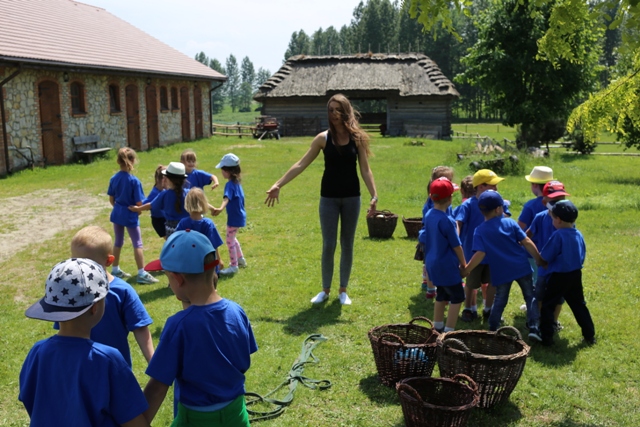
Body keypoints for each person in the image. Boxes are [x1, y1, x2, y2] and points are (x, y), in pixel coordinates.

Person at [264, 94, 378, 305]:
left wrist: (374, 195)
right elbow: (301, 164)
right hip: (329, 199)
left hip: (352, 198)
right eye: (330, 110)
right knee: (328, 244)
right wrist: (278, 184)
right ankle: (325, 290)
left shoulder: (358, 138)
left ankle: (343, 290)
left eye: (338, 109)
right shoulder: (322, 139)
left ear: (346, 111)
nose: (334, 113)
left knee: (347, 243)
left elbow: (365, 169)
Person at [142, 230, 258, 426]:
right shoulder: (237, 311)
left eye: (168, 279)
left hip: (195, 420)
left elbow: (158, 387)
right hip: (237, 415)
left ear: (178, 279)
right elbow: (244, 360)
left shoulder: (178, 325)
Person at [19, 258, 150, 427]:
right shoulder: (107, 360)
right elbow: (135, 422)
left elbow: (29, 399)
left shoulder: (37, 352)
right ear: (95, 307)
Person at [53, 226, 154, 368]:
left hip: (113, 368)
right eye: (76, 261)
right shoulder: (71, 290)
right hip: (78, 368)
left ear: (108, 261)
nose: (81, 268)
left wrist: (153, 364)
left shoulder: (122, 291)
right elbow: (63, 330)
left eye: (89, 263)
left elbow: (140, 327)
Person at [461, 190, 544, 336]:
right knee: (530, 296)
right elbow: (526, 241)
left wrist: (467, 269)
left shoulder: (480, 230)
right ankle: (534, 327)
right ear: (498, 209)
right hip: (521, 267)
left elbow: (480, 254)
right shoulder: (510, 223)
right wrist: (538, 258)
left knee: (500, 299)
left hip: (501, 271)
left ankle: (493, 329)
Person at [455, 169, 511, 321]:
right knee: (472, 283)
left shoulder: (498, 202)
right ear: (481, 186)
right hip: (473, 253)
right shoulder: (468, 205)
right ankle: (468, 308)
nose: (496, 188)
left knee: (493, 282)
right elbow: (458, 222)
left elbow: (506, 218)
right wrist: (456, 238)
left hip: (494, 252)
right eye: (492, 185)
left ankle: (488, 308)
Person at [538, 200, 595, 346]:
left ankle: (546, 337)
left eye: (552, 218)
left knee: (548, 305)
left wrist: (540, 260)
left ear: (558, 220)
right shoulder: (578, 234)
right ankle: (589, 335)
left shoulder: (558, 236)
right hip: (575, 275)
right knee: (579, 305)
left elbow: (545, 257)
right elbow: (582, 254)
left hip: (558, 276)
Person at [420, 177, 466, 333]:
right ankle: (449, 331)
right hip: (447, 265)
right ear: (450, 198)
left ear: (431, 196)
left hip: (432, 263)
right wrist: (464, 264)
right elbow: (457, 245)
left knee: (441, 294)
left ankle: (437, 327)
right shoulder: (447, 220)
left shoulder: (429, 214)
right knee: (457, 297)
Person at [107, 147, 158, 284]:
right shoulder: (134, 181)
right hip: (130, 214)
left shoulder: (114, 178)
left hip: (117, 213)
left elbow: (111, 199)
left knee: (118, 241)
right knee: (137, 243)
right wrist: (139, 210)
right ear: (133, 160)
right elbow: (139, 203)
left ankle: (115, 269)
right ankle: (141, 273)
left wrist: (119, 208)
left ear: (118, 161)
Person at [527, 180, 569, 333]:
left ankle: (553, 322)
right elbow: (527, 236)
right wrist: (537, 257)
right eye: (554, 200)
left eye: (561, 199)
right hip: (544, 267)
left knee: (558, 297)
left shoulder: (567, 219)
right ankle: (538, 321)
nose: (559, 204)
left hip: (560, 267)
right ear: (545, 202)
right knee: (539, 295)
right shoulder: (540, 217)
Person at [418, 166, 456, 299]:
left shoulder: (438, 200)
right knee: (432, 263)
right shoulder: (434, 204)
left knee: (431, 262)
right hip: (434, 237)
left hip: (431, 236)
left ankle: (429, 285)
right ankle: (431, 288)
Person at [130, 162, 189, 238]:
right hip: (187, 227)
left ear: (168, 179)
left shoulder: (164, 194)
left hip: (171, 229)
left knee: (173, 245)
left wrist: (138, 209)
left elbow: (151, 205)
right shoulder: (189, 193)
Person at [210, 153, 247, 275]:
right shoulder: (237, 183)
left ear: (228, 171)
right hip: (240, 215)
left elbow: (227, 198)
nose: (221, 172)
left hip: (234, 217)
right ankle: (240, 260)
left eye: (222, 169)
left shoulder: (229, 185)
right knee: (233, 238)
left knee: (229, 240)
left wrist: (220, 208)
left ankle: (233, 266)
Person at [177, 187, 224, 275]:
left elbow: (177, 243)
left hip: (189, 264)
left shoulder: (183, 223)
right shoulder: (208, 224)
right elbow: (214, 245)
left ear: (187, 203)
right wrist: (219, 259)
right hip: (207, 264)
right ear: (204, 203)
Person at [143, 165, 168, 239]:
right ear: (161, 180)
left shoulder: (165, 191)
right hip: (159, 220)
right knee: (170, 240)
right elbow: (146, 204)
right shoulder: (155, 193)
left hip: (166, 218)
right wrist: (137, 208)